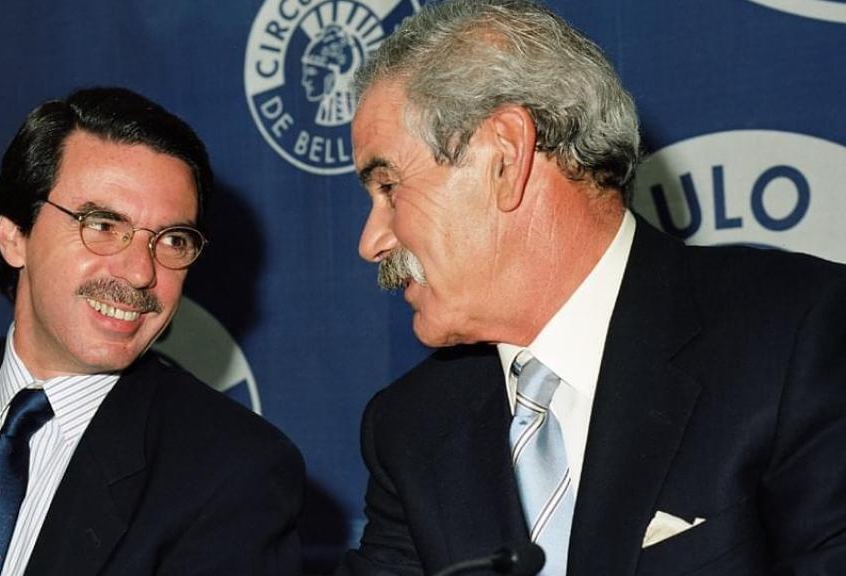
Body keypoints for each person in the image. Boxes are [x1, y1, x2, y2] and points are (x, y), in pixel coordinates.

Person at [338, 1, 846, 575]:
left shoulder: (797, 336)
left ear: (505, 156)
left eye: (389, 186)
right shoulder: (412, 429)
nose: (372, 240)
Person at [0, 87, 304, 575]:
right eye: (102, 225)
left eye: (172, 239)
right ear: (15, 236)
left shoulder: (233, 473)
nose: (139, 272)